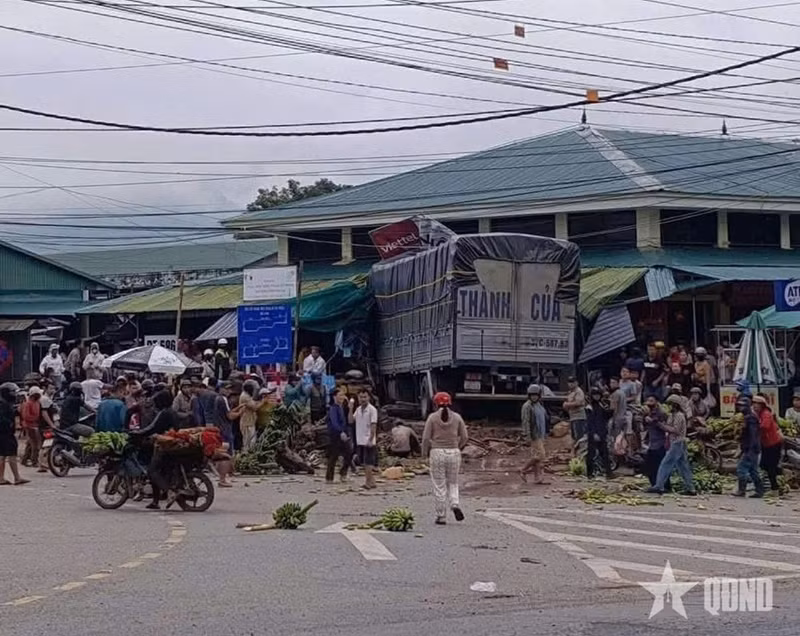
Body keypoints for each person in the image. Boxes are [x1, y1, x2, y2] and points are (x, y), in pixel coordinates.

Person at [422, 392, 467, 525]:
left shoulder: (432, 418)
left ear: (435, 403)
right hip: (454, 453)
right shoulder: (457, 417)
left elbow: (425, 438)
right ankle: (454, 503)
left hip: (437, 453)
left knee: (439, 484)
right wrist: (457, 447)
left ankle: (441, 516)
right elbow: (465, 437)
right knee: (453, 482)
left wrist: (424, 454)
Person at [131, 389, 181, 510]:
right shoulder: (171, 411)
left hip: (165, 446)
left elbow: (152, 428)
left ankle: (169, 491)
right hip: (169, 443)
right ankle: (155, 501)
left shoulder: (165, 413)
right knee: (156, 471)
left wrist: (136, 433)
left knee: (152, 471)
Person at [647, 394, 696, 496]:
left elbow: (675, 430)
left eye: (670, 405)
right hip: (674, 442)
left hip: (677, 442)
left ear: (675, 405)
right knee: (683, 467)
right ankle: (690, 488)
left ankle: (659, 486)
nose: (669, 407)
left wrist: (660, 425)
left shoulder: (679, 416)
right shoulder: (671, 415)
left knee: (665, 464)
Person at [733, 396, 765, 498]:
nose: (740, 408)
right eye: (739, 406)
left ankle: (741, 491)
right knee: (753, 471)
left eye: (742, 406)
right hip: (751, 448)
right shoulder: (748, 417)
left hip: (751, 449)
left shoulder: (750, 418)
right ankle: (759, 491)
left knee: (741, 469)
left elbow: (753, 435)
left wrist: (750, 449)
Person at [519, 384, 549, 485]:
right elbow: (526, 422)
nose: (534, 397)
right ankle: (523, 470)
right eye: (532, 395)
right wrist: (527, 435)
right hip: (533, 435)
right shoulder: (527, 406)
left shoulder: (539, 405)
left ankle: (537, 478)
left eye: (536, 395)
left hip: (540, 434)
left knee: (536, 457)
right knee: (540, 456)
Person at [753, 395, 783, 492]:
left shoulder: (766, 414)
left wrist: (755, 429)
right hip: (766, 443)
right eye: (753, 404)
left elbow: (765, 426)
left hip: (773, 443)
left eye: (757, 404)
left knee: (771, 466)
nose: (755, 406)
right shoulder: (758, 414)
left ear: (762, 405)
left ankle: (775, 488)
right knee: (763, 465)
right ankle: (775, 482)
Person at [0, 383, 28, 485]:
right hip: (5, 433)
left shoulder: (5, 403)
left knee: (4, 454)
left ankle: (7, 477)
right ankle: (14, 477)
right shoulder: (3, 404)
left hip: (4, 433)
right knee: (8, 454)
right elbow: (3, 419)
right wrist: (11, 424)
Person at [352, 389, 379, 490]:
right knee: (364, 461)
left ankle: (368, 482)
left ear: (369, 398)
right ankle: (372, 482)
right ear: (358, 398)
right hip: (360, 439)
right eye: (361, 397)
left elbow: (373, 425)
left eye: (365, 397)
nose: (363, 399)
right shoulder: (358, 409)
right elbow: (351, 420)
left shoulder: (372, 410)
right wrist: (350, 408)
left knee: (368, 462)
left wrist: (370, 439)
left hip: (368, 440)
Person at [642, 394, 670, 491]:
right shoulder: (647, 413)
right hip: (651, 443)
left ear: (656, 402)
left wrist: (654, 422)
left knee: (661, 466)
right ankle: (655, 485)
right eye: (648, 401)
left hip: (660, 443)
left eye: (652, 401)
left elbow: (666, 427)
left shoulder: (661, 413)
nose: (649, 403)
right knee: (650, 467)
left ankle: (664, 486)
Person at [585, 386, 612, 479]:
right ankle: (589, 473)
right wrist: (593, 433)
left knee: (604, 453)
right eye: (594, 395)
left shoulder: (602, 405)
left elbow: (606, 417)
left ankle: (609, 473)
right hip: (593, 433)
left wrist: (608, 409)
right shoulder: (589, 407)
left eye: (598, 395)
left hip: (602, 432)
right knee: (591, 454)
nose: (596, 397)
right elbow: (590, 422)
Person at [325, 388, 351, 484]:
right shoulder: (333, 408)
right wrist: (341, 432)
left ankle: (343, 473)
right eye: (340, 395)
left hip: (343, 434)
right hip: (335, 435)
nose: (342, 397)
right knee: (333, 456)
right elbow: (335, 423)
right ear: (334, 397)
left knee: (349, 453)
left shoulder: (342, 407)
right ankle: (329, 478)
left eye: (343, 395)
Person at [20, 386, 43, 469]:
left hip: (34, 425)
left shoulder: (36, 403)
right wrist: (35, 419)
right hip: (29, 426)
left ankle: (24, 459)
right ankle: (34, 461)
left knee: (30, 444)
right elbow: (26, 416)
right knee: (35, 444)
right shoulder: (28, 403)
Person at [238, 380, 263, 452]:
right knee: (248, 442)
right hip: (247, 423)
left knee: (252, 441)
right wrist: (263, 402)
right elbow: (254, 407)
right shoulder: (245, 396)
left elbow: (253, 403)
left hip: (250, 422)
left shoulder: (247, 395)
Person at [563, 376, 587, 442]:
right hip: (572, 416)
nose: (571, 384)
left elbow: (578, 402)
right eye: (569, 382)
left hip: (579, 417)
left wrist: (567, 404)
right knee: (574, 437)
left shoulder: (579, 391)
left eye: (572, 382)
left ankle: (580, 451)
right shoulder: (570, 392)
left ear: (576, 383)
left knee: (579, 437)